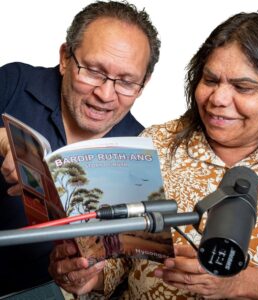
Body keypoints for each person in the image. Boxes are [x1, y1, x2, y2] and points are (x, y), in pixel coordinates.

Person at [49, 11, 258, 299]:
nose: (218, 99)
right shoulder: (155, 145)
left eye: (243, 87)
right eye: (210, 80)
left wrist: (239, 283)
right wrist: (88, 276)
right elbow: (119, 255)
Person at [0, 0, 161, 296]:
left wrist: (88, 275)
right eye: (93, 71)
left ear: (144, 83)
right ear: (65, 58)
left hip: (45, 288)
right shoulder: (14, 82)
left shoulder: (140, 148)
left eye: (127, 82)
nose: (105, 94)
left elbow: (128, 261)